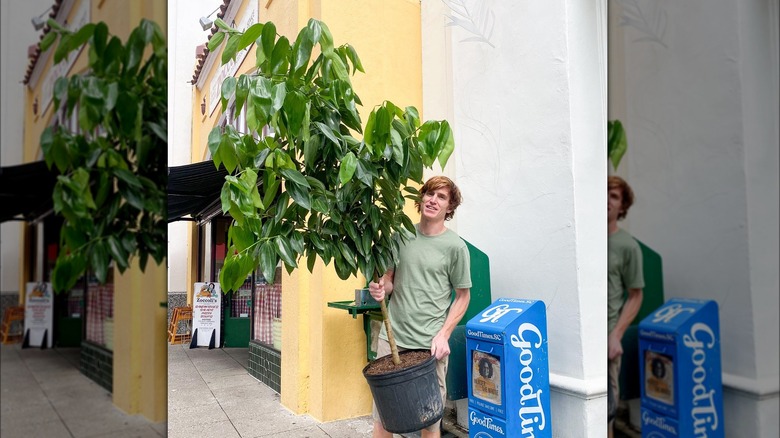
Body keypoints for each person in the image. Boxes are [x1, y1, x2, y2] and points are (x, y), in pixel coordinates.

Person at [368, 175, 472, 438]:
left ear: (449, 207)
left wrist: (444, 334)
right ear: (421, 198)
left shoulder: (455, 247)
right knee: (383, 417)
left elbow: (462, 296)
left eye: (441, 197)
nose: (433, 200)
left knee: (430, 420)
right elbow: (390, 280)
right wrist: (380, 287)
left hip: (430, 347)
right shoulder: (401, 236)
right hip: (393, 340)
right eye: (429, 194)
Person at [607, 175, 645, 438]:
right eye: (604, 193)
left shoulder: (628, 246)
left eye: (614, 196)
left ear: (622, 207)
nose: (607, 200)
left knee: (606, 413)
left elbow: (635, 295)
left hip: (606, 342)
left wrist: (616, 335)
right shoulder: (583, 239)